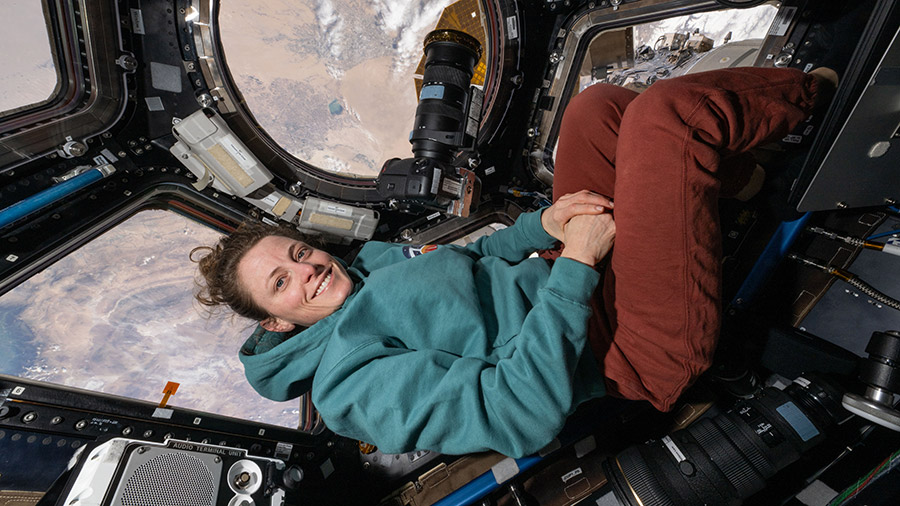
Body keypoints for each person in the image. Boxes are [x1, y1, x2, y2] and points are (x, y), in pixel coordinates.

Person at [193, 66, 834, 458]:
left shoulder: (372, 272)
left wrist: (540, 227)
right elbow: (515, 414)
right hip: (626, 345)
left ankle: (737, 180)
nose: (308, 270)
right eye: (283, 282)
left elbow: (465, 265)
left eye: (300, 253)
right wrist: (579, 267)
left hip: (572, 281)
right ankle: (828, 97)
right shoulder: (348, 388)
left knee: (598, 110)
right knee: (668, 119)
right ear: (275, 323)